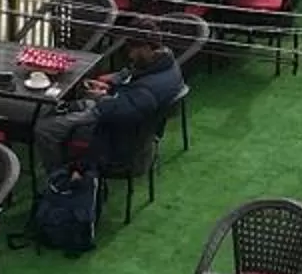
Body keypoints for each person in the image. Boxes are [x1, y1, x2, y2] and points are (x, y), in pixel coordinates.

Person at [32, 30, 186, 185]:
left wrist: (101, 98)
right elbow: (132, 82)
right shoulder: (166, 64)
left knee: (45, 128)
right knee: (70, 106)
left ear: (146, 48)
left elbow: (113, 114)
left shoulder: (147, 91)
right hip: (128, 122)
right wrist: (109, 88)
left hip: (116, 138)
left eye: (133, 50)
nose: (130, 55)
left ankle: (58, 177)